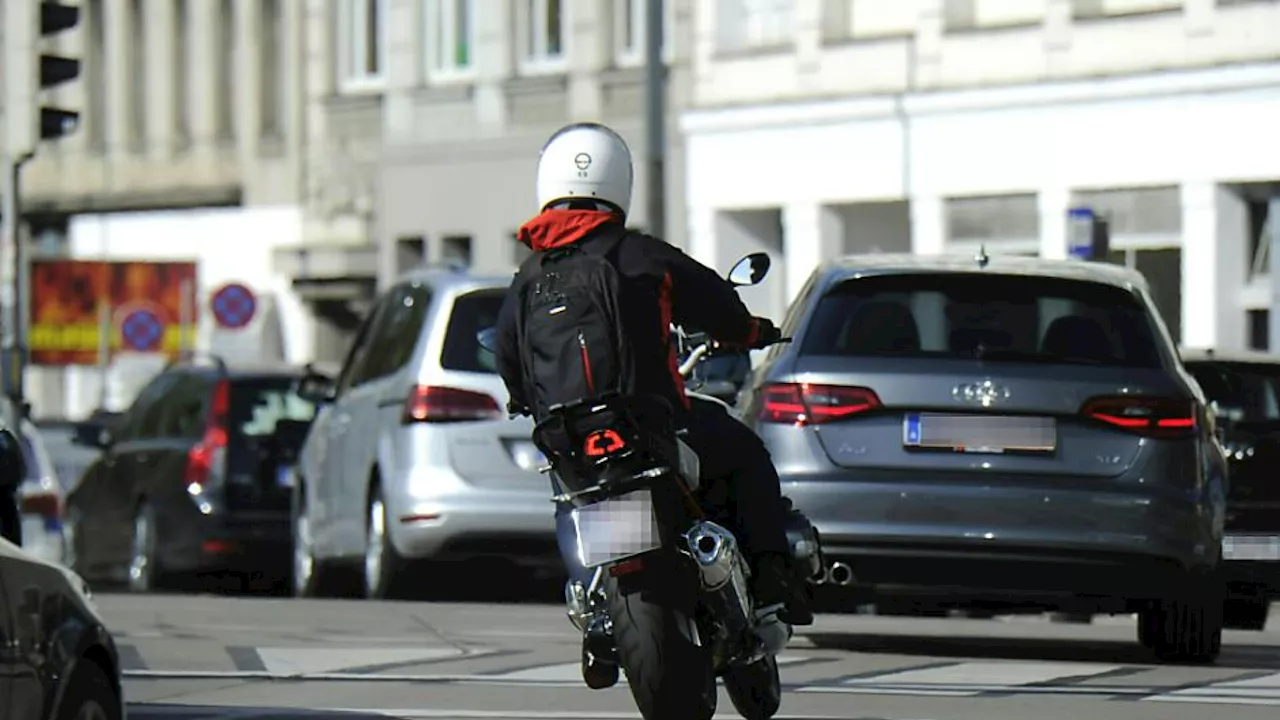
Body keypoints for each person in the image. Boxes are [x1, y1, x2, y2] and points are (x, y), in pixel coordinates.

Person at [493, 122, 812, 627]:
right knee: (744, 452)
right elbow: (716, 305)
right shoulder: (640, 255)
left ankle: (591, 600)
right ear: (619, 182)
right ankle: (772, 579)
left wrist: (522, 399)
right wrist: (753, 332)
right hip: (650, 422)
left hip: (569, 435)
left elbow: (507, 353)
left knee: (568, 492)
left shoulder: (529, 275)